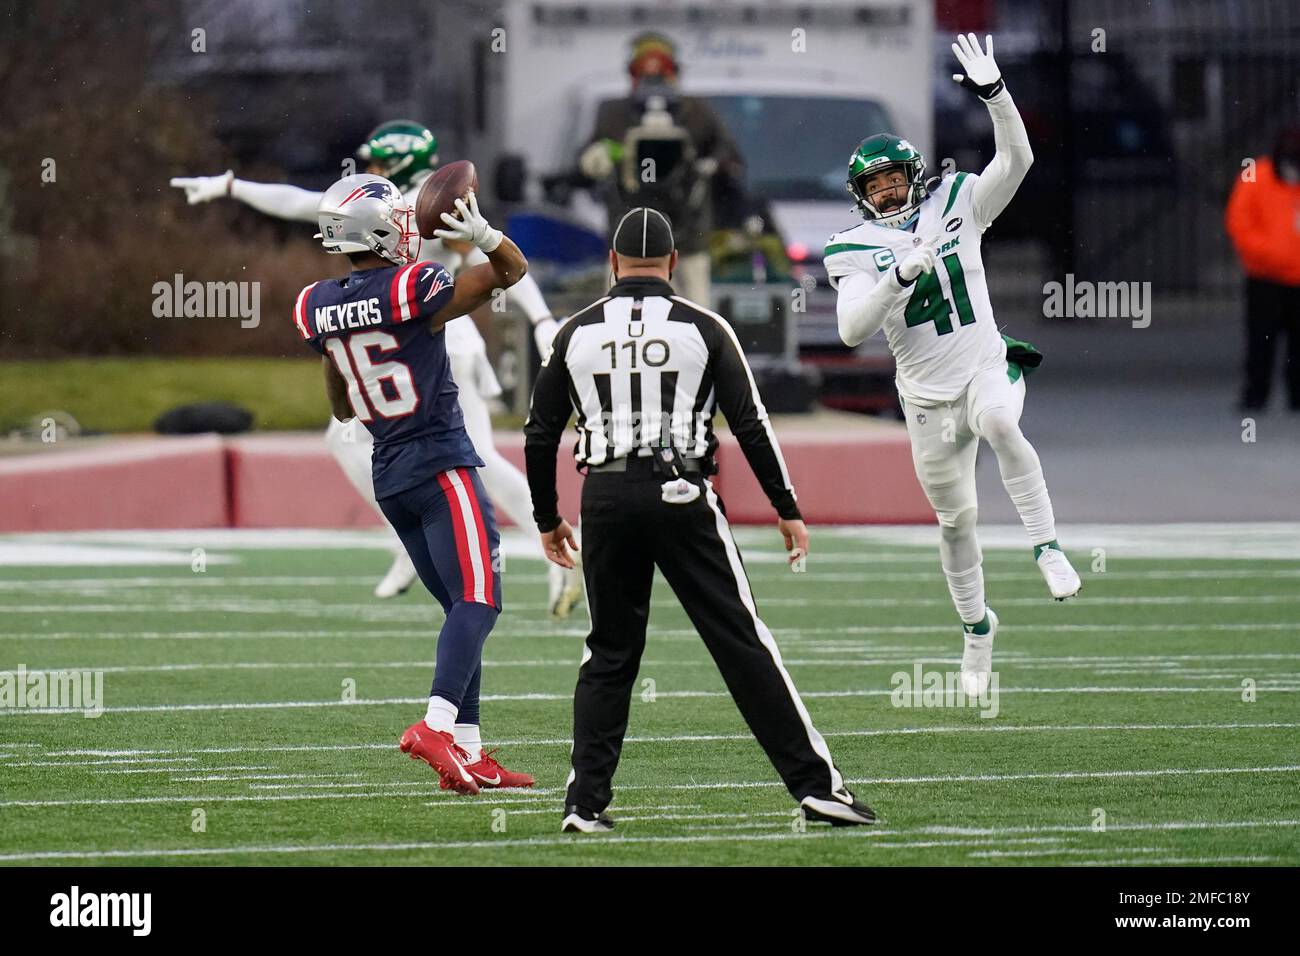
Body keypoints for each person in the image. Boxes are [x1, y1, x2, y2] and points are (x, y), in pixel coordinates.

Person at [525, 207, 876, 832]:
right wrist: (786, 506)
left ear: (611, 264)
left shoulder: (574, 332)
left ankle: (584, 804)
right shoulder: (703, 326)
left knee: (609, 652)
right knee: (741, 642)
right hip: (680, 492)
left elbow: (539, 432)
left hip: (603, 497)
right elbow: (751, 423)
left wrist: (548, 517)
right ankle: (816, 787)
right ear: (672, 265)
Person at [171, 120, 584, 616]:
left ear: (404, 162)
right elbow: (303, 203)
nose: (369, 169)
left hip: (438, 341)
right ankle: (406, 540)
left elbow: (491, 259)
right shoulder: (381, 201)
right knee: (345, 438)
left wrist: (540, 318)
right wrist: (233, 186)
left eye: (379, 162)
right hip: (405, 342)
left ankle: (559, 549)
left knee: (478, 459)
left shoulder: (430, 206)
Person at [826, 34, 1081, 698]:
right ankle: (976, 629)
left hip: (982, 366)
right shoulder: (851, 247)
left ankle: (1048, 548)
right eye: (873, 187)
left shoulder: (957, 201)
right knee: (955, 520)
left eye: (893, 180)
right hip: (926, 402)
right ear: (861, 195)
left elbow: (1018, 157)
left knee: (1000, 419)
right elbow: (852, 329)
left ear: (912, 175)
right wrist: (901, 273)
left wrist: (996, 95)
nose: (886, 194)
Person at [295, 173, 533, 793]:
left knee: (461, 606)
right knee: (480, 601)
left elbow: (344, 407)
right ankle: (435, 726)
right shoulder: (413, 287)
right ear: (374, 229)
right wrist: (484, 235)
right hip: (440, 464)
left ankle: (471, 749)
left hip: (391, 478)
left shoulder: (317, 303)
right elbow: (510, 272)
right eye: (396, 218)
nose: (407, 226)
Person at [578, 32, 744, 306]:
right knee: (620, 309)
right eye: (643, 74)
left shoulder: (696, 112)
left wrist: (707, 164)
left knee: (695, 313)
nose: (652, 83)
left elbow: (731, 156)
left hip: (688, 236)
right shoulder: (614, 115)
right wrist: (597, 159)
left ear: (674, 74)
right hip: (627, 236)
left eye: (661, 73)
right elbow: (583, 166)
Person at [1225, 125, 1300, 412]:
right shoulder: (1255, 175)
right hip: (1265, 278)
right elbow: (1239, 221)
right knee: (1261, 342)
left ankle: (1297, 395)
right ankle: (1256, 395)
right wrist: (1271, 256)